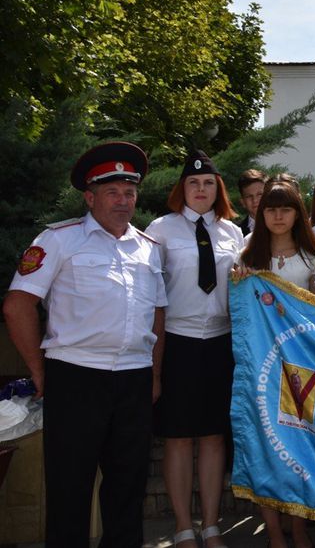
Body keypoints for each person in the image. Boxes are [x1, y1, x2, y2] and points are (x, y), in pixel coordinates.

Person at [3, 142, 166, 547]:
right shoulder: (60, 239)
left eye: (129, 192)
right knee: (69, 487)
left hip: (133, 378)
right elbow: (17, 304)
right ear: (89, 197)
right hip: (75, 377)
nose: (123, 201)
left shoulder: (148, 248)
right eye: (112, 192)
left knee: (128, 487)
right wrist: (40, 371)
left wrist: (155, 375)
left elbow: (158, 315)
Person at [145, 150, 244, 548]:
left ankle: (212, 524)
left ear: (217, 188)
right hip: (178, 342)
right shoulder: (161, 229)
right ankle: (185, 526)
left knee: (214, 436)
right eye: (193, 182)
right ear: (181, 189)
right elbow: (152, 294)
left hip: (221, 343)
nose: (201, 189)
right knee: (179, 437)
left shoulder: (232, 232)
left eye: (208, 183)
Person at [236, 181, 315, 548]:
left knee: (300, 444)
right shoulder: (246, 258)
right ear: (260, 214)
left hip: (301, 368)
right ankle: (273, 531)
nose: (278, 215)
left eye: (286, 208)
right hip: (260, 365)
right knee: (265, 445)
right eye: (270, 209)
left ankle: (299, 526)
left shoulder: (314, 258)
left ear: (298, 213)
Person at [237, 168, 267, 236]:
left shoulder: (283, 226)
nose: (255, 200)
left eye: (259, 194)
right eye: (249, 196)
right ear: (243, 202)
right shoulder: (234, 231)